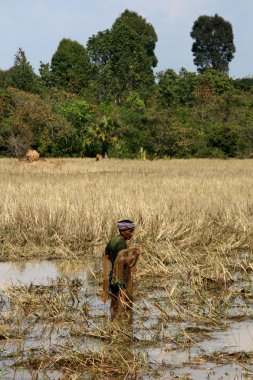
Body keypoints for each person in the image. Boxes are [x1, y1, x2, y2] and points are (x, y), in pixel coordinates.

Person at [102, 219, 140, 320]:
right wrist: (134, 256)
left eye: (132, 231)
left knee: (114, 302)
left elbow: (107, 254)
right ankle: (123, 325)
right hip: (120, 276)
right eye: (130, 231)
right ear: (122, 231)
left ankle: (113, 323)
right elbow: (122, 260)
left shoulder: (113, 240)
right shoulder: (121, 243)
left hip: (112, 275)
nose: (131, 234)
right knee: (123, 301)